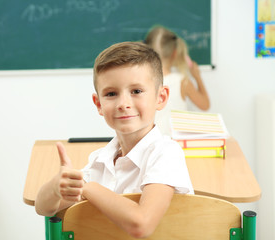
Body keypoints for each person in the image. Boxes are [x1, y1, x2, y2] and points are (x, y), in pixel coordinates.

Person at [35, 42, 194, 238]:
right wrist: (56, 185)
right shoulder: (100, 160)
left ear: (160, 97)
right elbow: (43, 208)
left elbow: (141, 224)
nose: (123, 104)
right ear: (98, 104)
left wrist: (88, 187)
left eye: (136, 91)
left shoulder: (166, 153)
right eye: (111, 94)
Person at [145, 26, 210, 136]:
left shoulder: (143, 81)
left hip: (151, 142)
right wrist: (197, 77)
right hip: (177, 144)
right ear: (175, 53)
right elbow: (205, 105)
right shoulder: (182, 81)